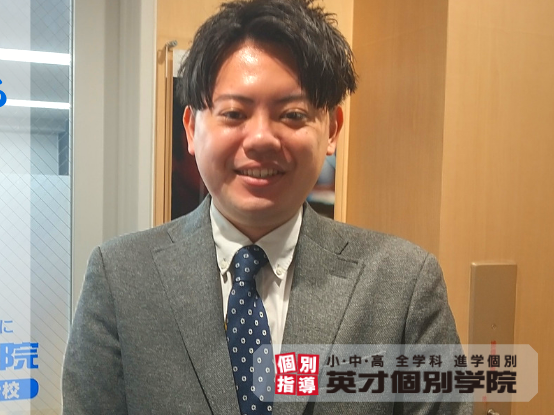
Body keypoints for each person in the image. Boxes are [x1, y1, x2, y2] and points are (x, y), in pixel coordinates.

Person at [61, 0, 468, 414]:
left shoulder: (403, 284)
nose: (260, 139)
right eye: (234, 113)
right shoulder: (119, 279)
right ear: (191, 128)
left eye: (291, 114)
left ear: (332, 129)